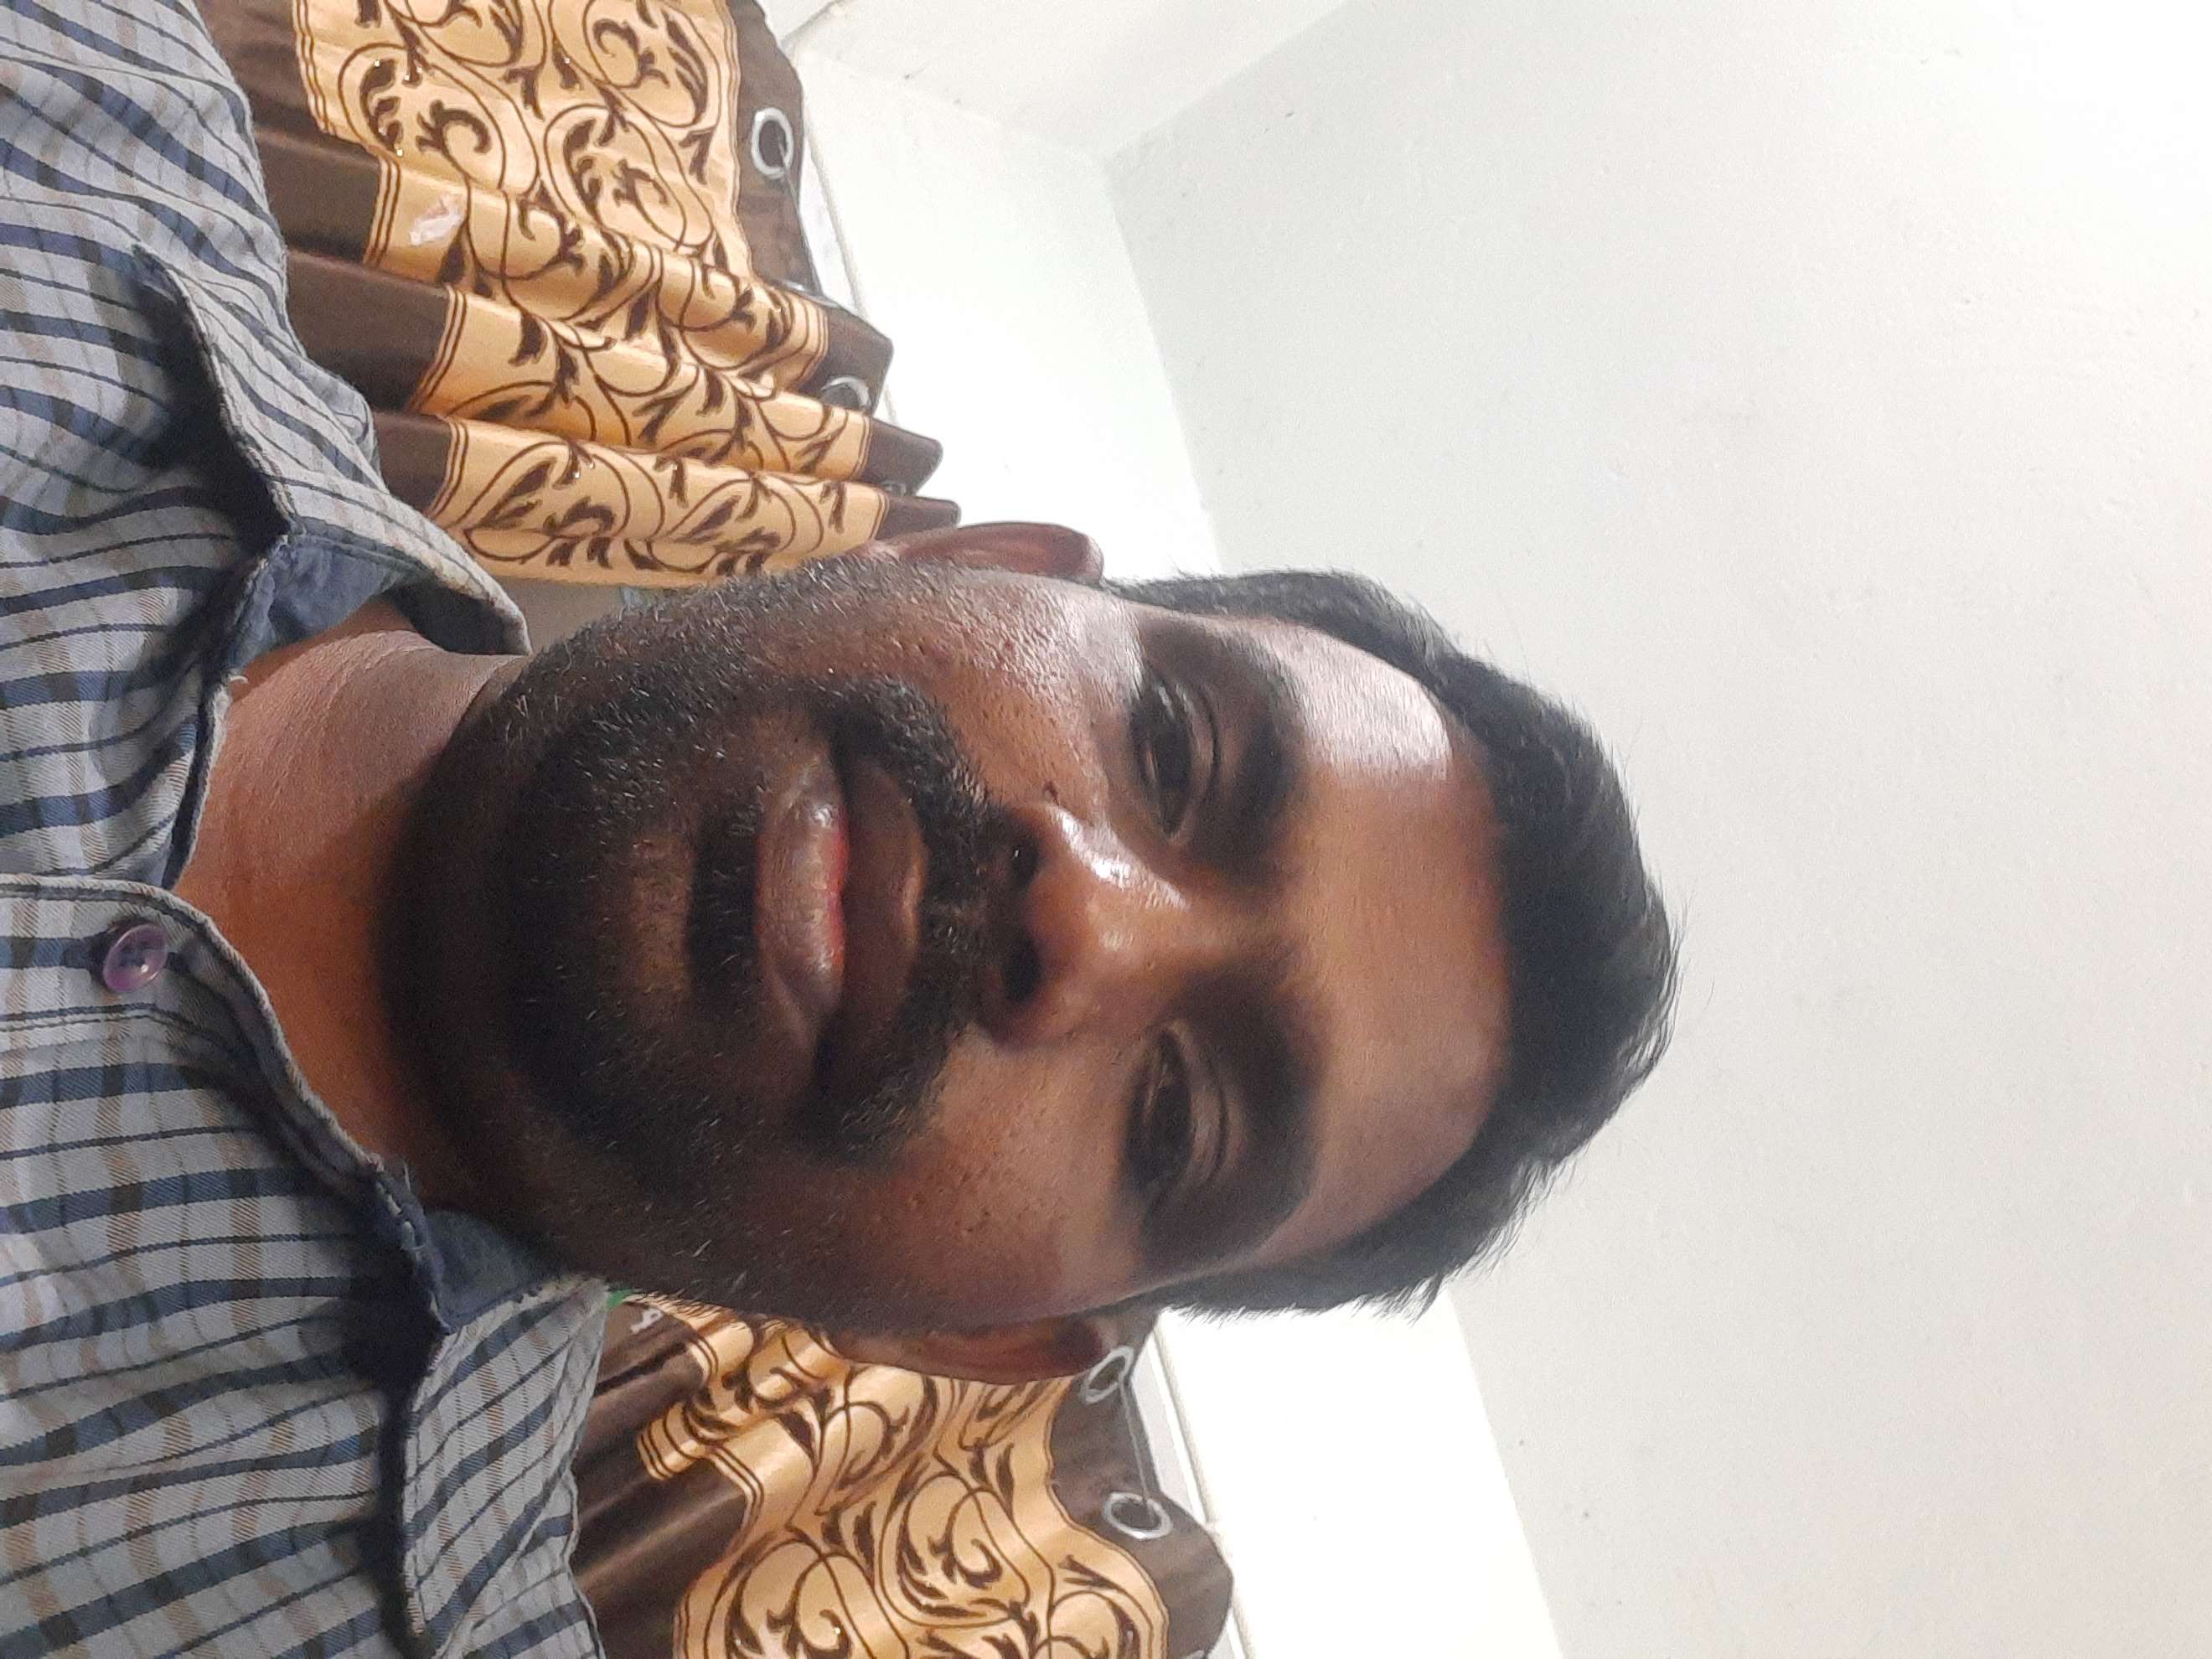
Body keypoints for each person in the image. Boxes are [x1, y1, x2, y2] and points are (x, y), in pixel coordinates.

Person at [0, 0, 1676, 1652]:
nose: (1086, 919)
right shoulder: (75, 124)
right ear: (971, 566)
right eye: (1174, 750)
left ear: (981, 1339)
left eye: (1178, 1118)